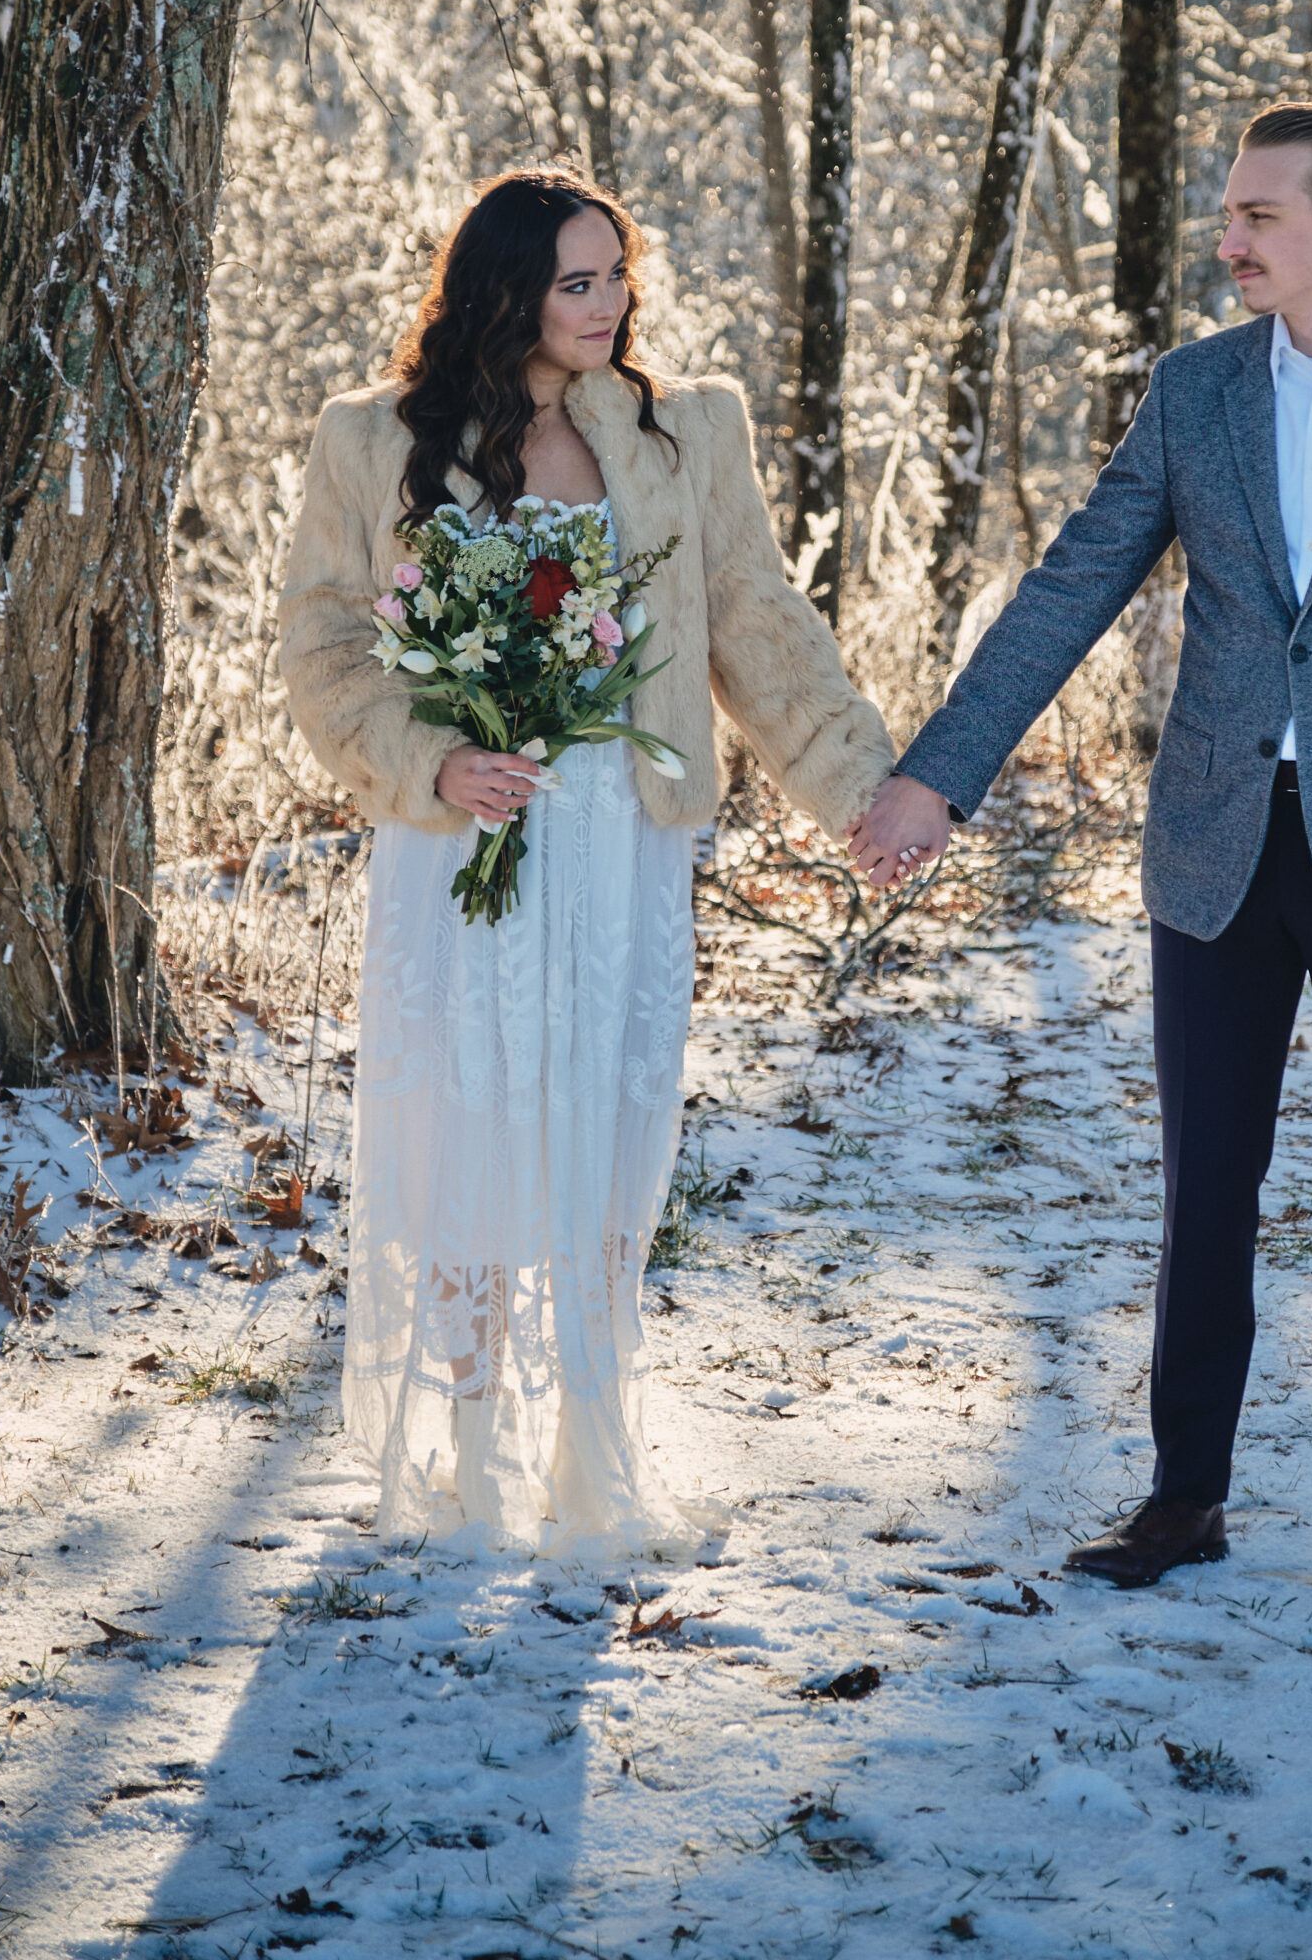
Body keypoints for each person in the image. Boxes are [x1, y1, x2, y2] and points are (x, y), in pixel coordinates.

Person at [849, 102, 1312, 1644]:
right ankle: (1186, 1494)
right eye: (1229, 214)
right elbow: (1070, 588)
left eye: (1254, 216)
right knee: (1204, 1191)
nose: (1227, 239)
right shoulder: (1194, 394)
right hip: (1214, 852)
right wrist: (935, 775)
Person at [279, 169, 891, 1554]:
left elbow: (759, 626)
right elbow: (320, 644)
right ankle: (472, 1448)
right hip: (461, 838)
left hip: (621, 835)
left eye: (617, 274)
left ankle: (592, 1445)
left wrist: (862, 792)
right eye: (576, 281)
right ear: (503, 291)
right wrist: (428, 758)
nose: (608, 304)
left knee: (608, 1130)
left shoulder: (685, 435)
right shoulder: (373, 441)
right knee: (473, 1119)